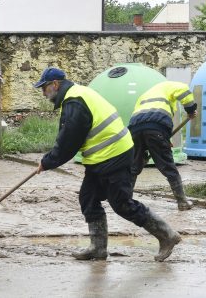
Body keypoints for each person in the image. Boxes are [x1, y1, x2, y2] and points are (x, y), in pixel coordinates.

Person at [34, 67, 181, 262]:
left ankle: (167, 235)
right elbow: (70, 138)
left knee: (122, 204)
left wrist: (47, 162)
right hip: (101, 157)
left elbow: (69, 141)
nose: (43, 93)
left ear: (55, 84)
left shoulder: (75, 102)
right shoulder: (77, 95)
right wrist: (50, 160)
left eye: (44, 88)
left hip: (115, 155)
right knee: (89, 198)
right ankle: (98, 248)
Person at [128, 81, 198, 211]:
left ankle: (125, 201)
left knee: (133, 166)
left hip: (135, 128)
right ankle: (182, 202)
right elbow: (184, 91)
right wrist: (191, 110)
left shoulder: (145, 95)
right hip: (156, 127)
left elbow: (142, 118)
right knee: (168, 166)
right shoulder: (171, 86)